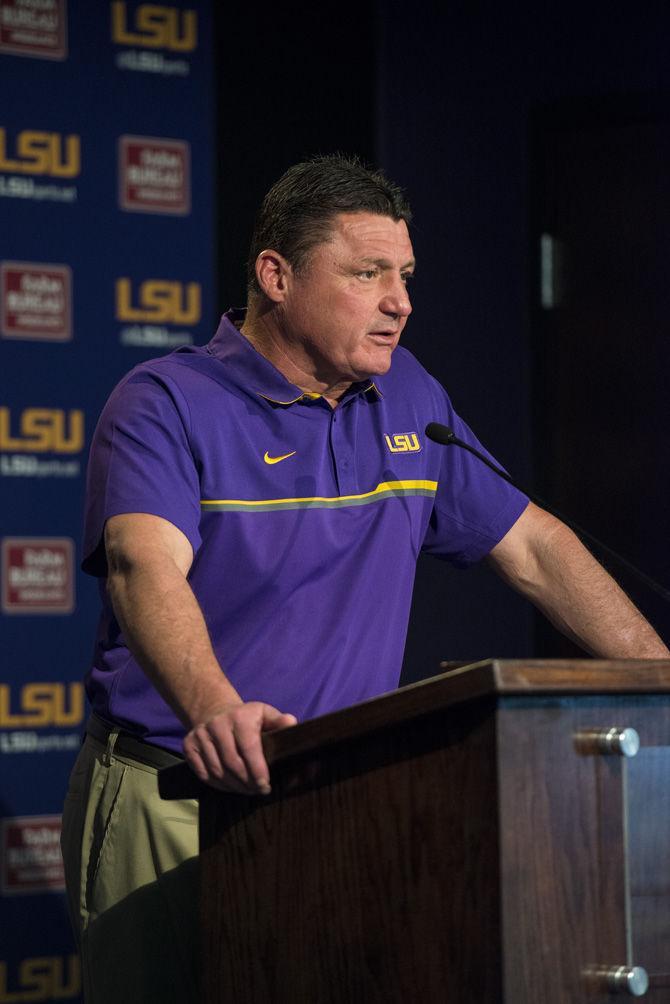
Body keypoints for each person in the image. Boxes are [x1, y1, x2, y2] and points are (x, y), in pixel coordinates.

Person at [61, 155, 669, 1003]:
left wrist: (657, 678)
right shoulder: (167, 400)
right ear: (277, 275)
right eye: (368, 273)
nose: (401, 302)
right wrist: (216, 711)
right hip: (177, 793)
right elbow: (142, 565)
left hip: (336, 798)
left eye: (406, 275)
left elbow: (534, 546)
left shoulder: (409, 396)